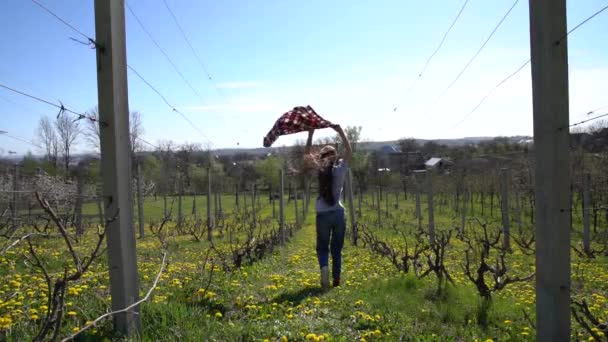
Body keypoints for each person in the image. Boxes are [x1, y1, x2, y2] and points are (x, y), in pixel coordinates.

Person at [303, 124, 352, 289]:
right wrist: (340, 131)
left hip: (322, 214)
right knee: (336, 248)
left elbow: (306, 155)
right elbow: (349, 151)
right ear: (335, 156)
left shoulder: (318, 171)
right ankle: (336, 280)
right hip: (338, 214)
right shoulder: (340, 170)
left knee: (322, 247)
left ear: (322, 157)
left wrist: (310, 134)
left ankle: (324, 267)